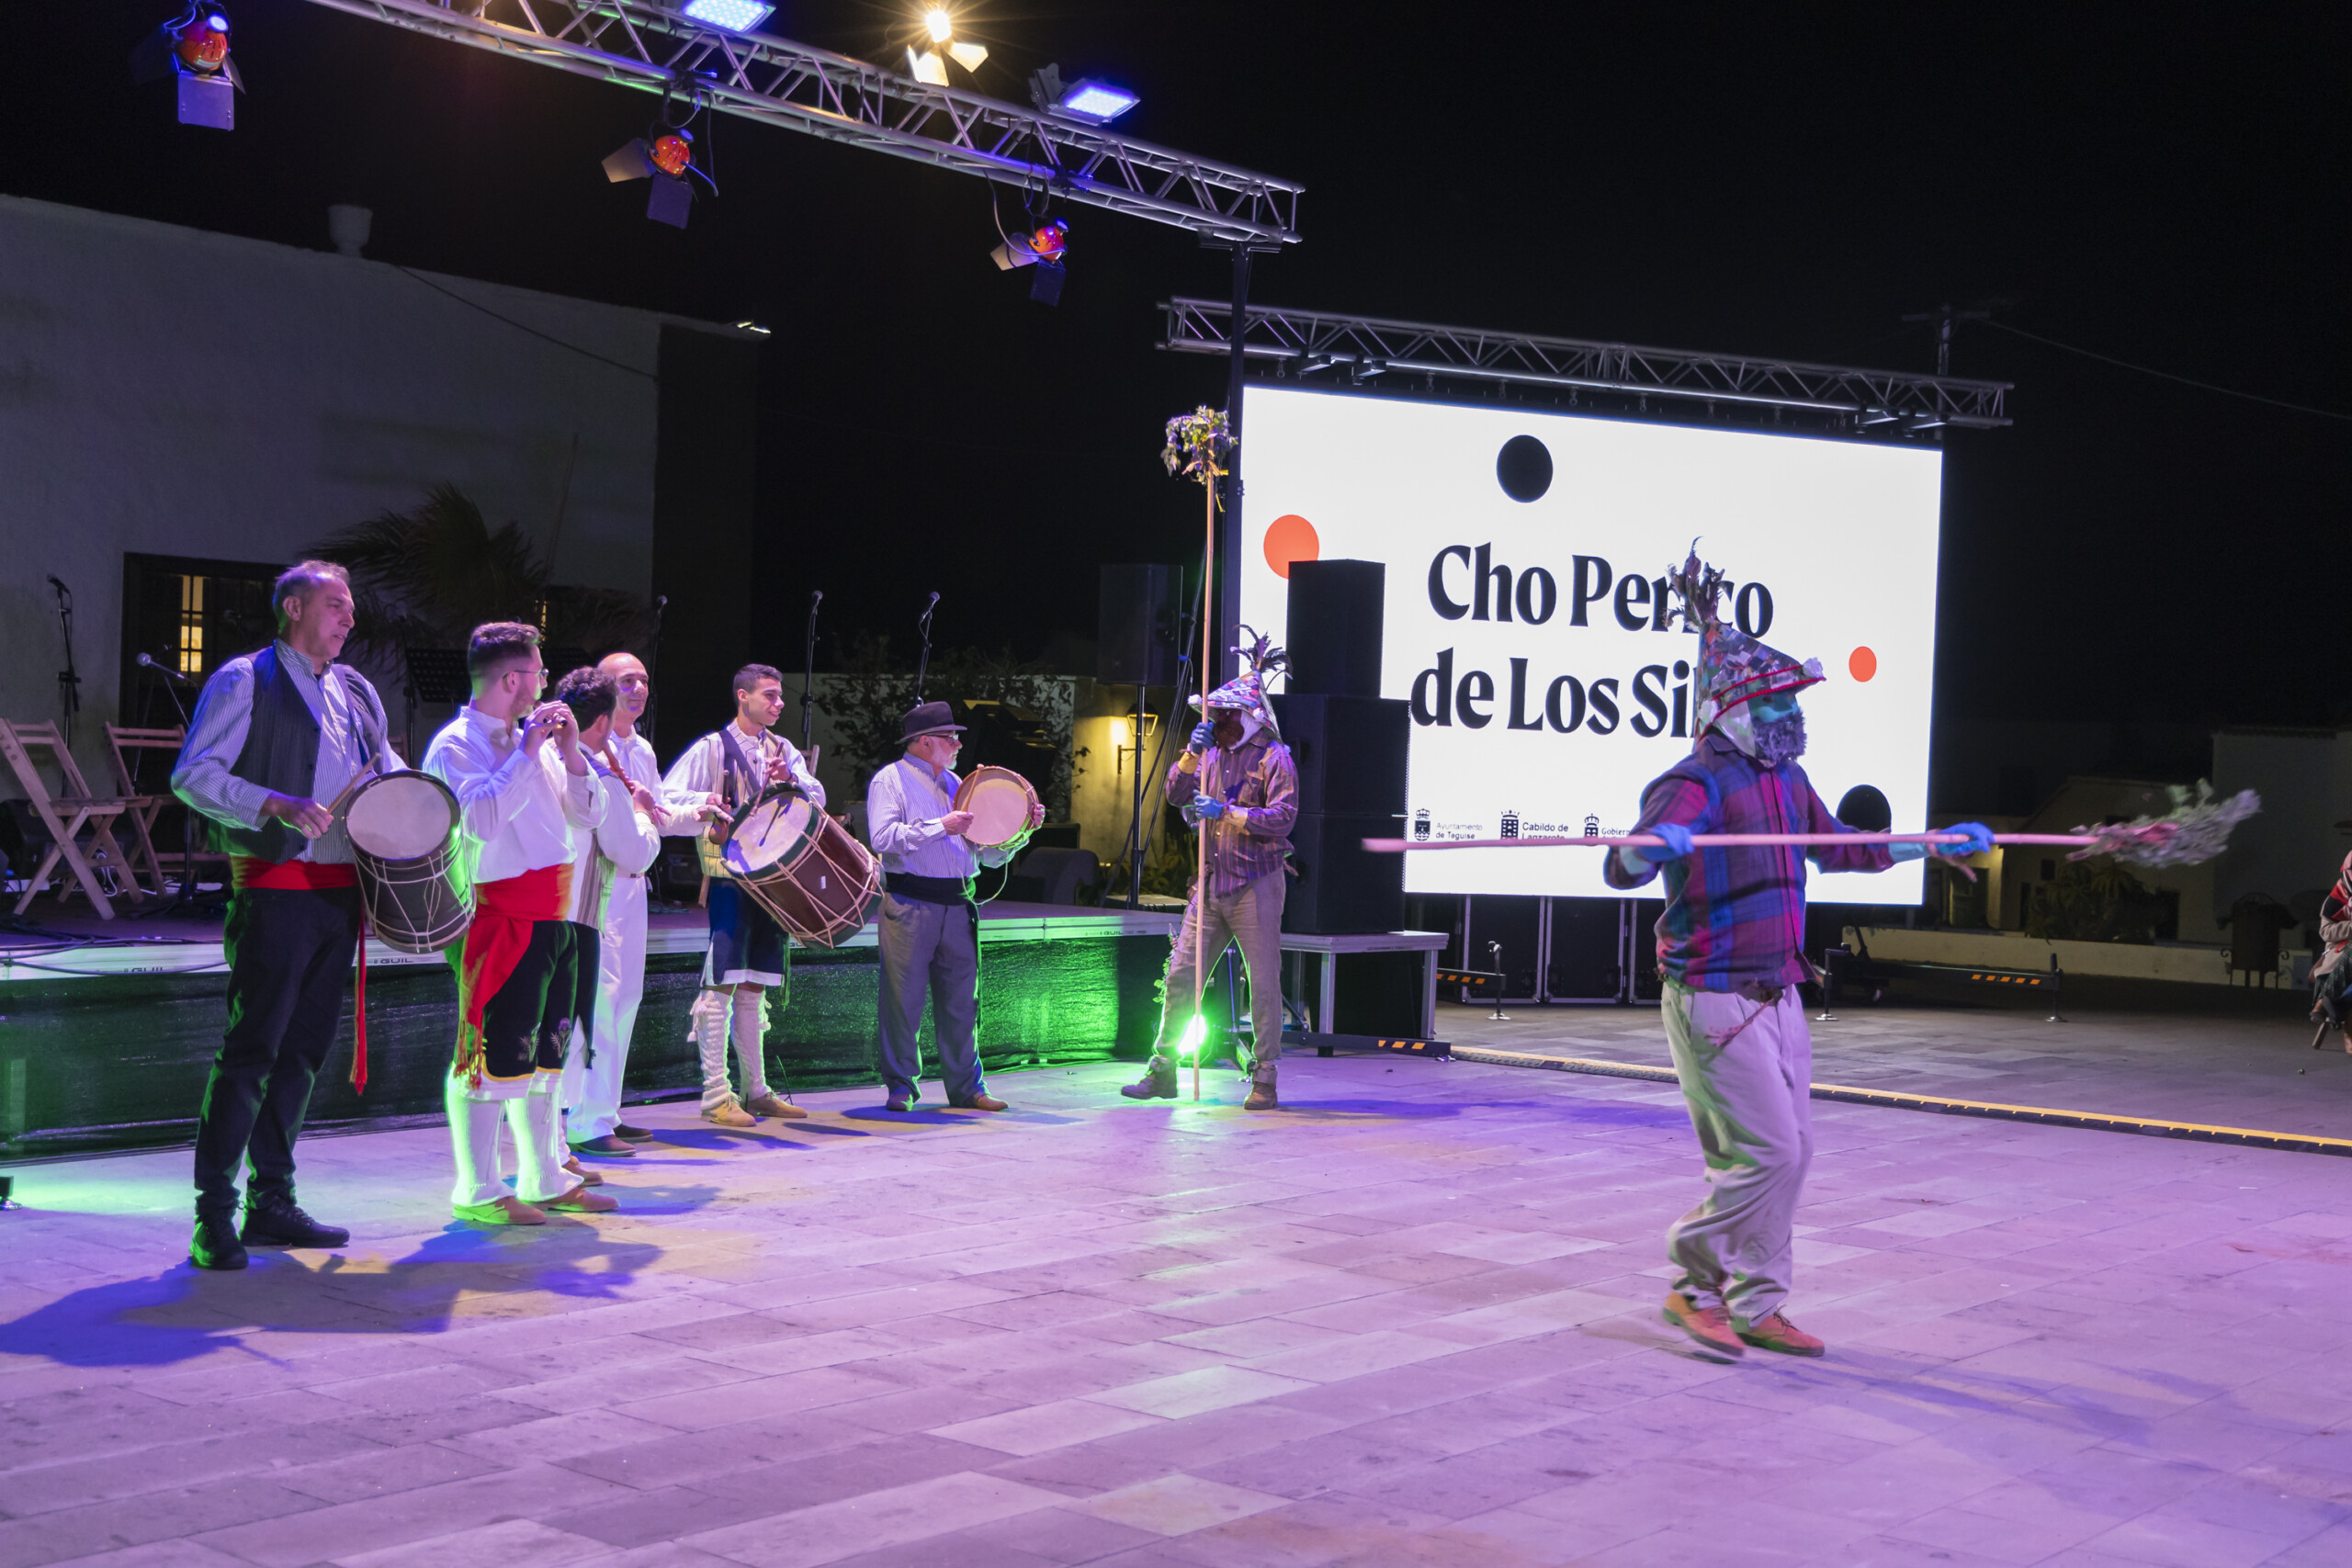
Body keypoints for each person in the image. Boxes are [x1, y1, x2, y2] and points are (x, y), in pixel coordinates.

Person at [1602, 553, 1991, 1361]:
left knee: (1792, 1153)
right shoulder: (1693, 781)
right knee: (1767, 1152)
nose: (1791, 711)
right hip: (1713, 994)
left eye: (1791, 698)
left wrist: (1929, 843)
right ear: (1733, 708)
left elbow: (1840, 848)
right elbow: (1620, 866)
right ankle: (1693, 1283)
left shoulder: (1786, 777)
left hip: (1778, 991)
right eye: (1776, 699)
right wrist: (1650, 848)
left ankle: (1757, 1303)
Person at [171, 560, 398, 1269]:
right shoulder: (245, 679)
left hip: (340, 891)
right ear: (294, 608)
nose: (349, 618)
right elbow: (193, 774)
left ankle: (271, 1201)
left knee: (302, 1053)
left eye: (351, 608)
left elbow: (388, 770)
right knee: (253, 1051)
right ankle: (213, 1214)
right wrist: (273, 802)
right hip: (276, 885)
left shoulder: (356, 690)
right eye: (336, 605)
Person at [425, 622, 617, 1225]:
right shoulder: (455, 745)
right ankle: (478, 1187)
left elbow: (588, 815)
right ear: (512, 679)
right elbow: (478, 822)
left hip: (555, 914)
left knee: (545, 1057)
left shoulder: (536, 740)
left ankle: (543, 1175)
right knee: (490, 1054)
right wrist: (528, 754)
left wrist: (570, 753)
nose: (543, 683)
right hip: (498, 915)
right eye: (537, 672)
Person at [1121, 637, 1297, 1111]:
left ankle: (1265, 1076)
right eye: (1212, 715)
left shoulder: (1274, 757)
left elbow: (1283, 818)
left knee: (1263, 982)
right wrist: (1189, 755)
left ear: (1249, 717)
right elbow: (1175, 795)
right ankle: (1163, 1069)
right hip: (1212, 881)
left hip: (1256, 884)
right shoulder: (1211, 754)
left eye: (1223, 715)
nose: (1215, 722)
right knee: (1181, 975)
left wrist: (1228, 812)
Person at [662, 663, 821, 1127]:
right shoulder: (711, 747)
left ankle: (756, 1091)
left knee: (754, 986)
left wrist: (790, 779)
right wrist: (706, 804)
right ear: (742, 696)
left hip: (772, 882)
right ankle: (715, 1095)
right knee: (722, 983)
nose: (779, 703)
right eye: (769, 695)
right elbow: (667, 796)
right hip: (729, 878)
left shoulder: (782, 749)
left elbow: (816, 796)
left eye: (780, 696)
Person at [866, 701, 1043, 1113]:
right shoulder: (889, 780)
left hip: (958, 903)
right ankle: (901, 1086)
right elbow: (883, 838)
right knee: (903, 1001)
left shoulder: (959, 783)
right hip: (910, 902)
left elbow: (986, 855)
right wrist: (940, 826)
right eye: (950, 738)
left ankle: (968, 1089)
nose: (958, 744)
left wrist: (1022, 831)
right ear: (924, 742)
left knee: (963, 1002)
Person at [560, 650, 685, 1156]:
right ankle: (585, 1120)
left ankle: (606, 1111)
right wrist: (645, 817)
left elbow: (652, 809)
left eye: (644, 681)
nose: (639, 689)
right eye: (627, 682)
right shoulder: (586, 753)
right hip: (601, 886)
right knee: (600, 1001)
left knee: (626, 999)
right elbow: (633, 826)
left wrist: (695, 811)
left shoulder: (643, 750)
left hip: (632, 887)